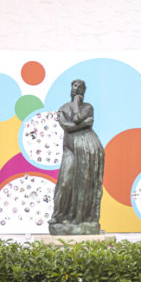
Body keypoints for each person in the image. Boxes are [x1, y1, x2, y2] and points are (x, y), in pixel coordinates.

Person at [48, 79, 105, 235]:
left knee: (84, 184)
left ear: (84, 90)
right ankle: (59, 216)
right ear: (71, 88)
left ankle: (79, 218)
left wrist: (78, 104)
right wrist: (84, 123)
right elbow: (69, 124)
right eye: (75, 87)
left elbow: (77, 118)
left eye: (80, 88)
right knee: (65, 182)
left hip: (88, 150)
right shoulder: (63, 109)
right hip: (70, 150)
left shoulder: (88, 107)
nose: (77, 89)